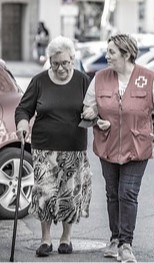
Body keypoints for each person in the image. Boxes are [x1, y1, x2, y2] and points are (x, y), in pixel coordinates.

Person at [82, 34, 154, 263]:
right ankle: (115, 239)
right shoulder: (100, 78)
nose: (107, 56)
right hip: (107, 145)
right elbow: (87, 109)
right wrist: (94, 118)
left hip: (137, 146)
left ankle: (126, 244)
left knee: (127, 193)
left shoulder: (148, 78)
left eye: (111, 52)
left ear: (126, 54)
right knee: (113, 194)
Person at [15, 35, 92, 257]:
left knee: (68, 195)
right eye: (55, 63)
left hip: (74, 148)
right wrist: (22, 124)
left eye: (65, 63)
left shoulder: (82, 80)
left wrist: (93, 114)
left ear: (73, 59)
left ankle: (66, 238)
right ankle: (46, 239)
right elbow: (24, 109)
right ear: (49, 60)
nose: (60, 68)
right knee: (45, 194)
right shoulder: (39, 81)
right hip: (43, 148)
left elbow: (94, 107)